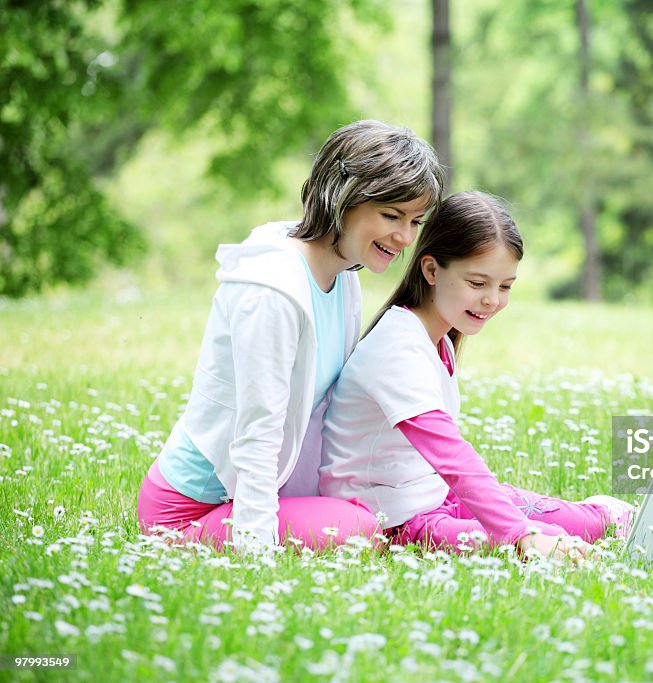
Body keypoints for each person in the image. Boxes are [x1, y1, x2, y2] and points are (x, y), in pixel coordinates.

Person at [137, 120, 445, 554]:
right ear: (341, 197)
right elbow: (258, 430)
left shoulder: (343, 279)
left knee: (367, 517)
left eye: (416, 221)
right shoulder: (273, 289)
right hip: (190, 510)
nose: (405, 237)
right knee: (360, 528)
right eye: (391, 216)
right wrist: (257, 549)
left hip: (254, 492)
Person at [319, 191, 632, 561]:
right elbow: (451, 456)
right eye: (478, 283)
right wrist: (521, 535)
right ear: (432, 269)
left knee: (590, 526)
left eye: (505, 286)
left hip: (438, 500)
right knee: (553, 541)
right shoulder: (397, 348)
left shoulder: (439, 340)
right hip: (395, 524)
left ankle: (623, 519)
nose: (493, 300)